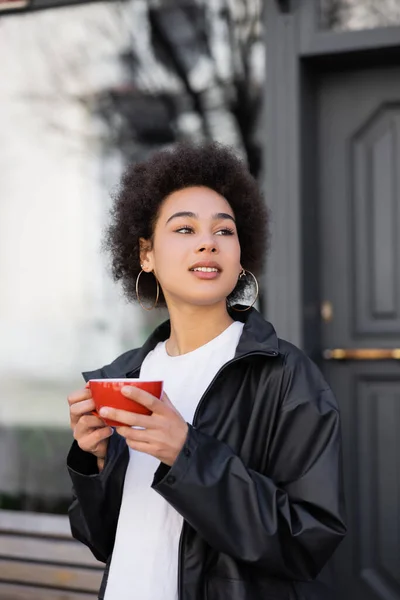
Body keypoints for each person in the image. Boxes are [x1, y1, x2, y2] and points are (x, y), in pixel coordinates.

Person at [66, 142, 346, 600]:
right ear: (146, 254)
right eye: (184, 228)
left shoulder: (285, 376)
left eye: (224, 230)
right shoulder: (124, 378)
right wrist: (90, 463)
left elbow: (308, 540)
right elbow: (101, 540)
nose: (207, 241)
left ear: (240, 256)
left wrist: (187, 453)